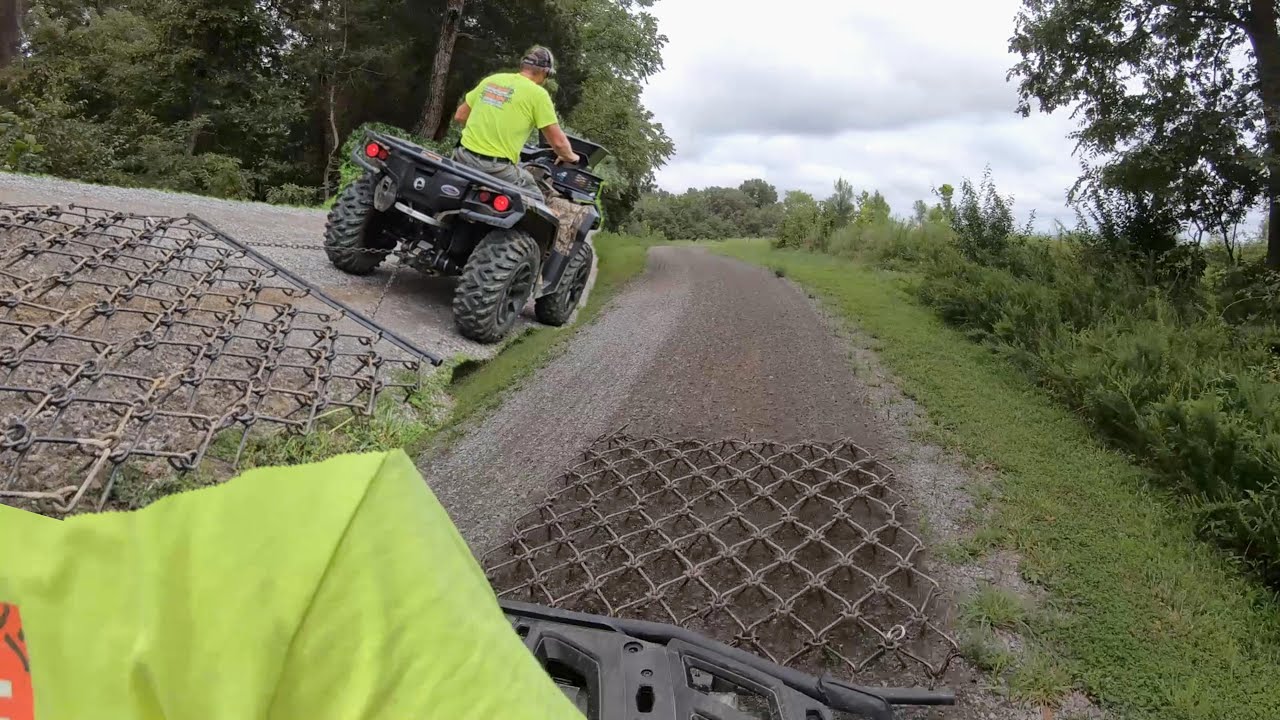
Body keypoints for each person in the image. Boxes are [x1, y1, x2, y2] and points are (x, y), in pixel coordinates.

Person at [451, 46, 580, 197]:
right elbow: (558, 144)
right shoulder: (538, 95)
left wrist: (485, 132)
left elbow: (460, 115)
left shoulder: (492, 80)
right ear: (545, 72)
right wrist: (571, 157)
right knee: (536, 198)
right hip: (497, 169)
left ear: (523, 65)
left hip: (462, 157)